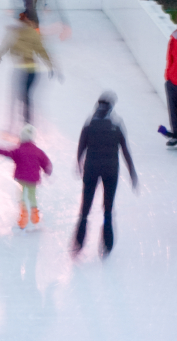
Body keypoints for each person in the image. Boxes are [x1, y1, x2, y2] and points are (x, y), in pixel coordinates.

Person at [72, 91, 138, 258]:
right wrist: (132, 172)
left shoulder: (89, 124)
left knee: (85, 208)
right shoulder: (116, 124)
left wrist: (78, 163)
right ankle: (107, 245)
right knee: (107, 209)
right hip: (110, 170)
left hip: (91, 169)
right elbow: (125, 150)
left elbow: (81, 147)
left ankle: (78, 243)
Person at [0, 11, 56, 126]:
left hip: (20, 69)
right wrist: (50, 65)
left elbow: (5, 44)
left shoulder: (14, 31)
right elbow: (42, 50)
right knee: (27, 97)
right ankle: (27, 123)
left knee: (15, 97)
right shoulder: (34, 33)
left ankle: (13, 126)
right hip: (33, 71)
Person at [0, 124, 52, 229]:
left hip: (21, 178)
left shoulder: (18, 150)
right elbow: (46, 162)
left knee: (21, 196)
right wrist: (47, 171)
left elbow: (5, 152)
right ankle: (35, 216)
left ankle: (23, 215)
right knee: (32, 196)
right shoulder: (38, 151)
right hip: (33, 179)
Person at [164, 29, 177, 148]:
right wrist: (168, 76)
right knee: (173, 111)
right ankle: (175, 135)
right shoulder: (173, 40)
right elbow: (170, 59)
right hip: (172, 81)